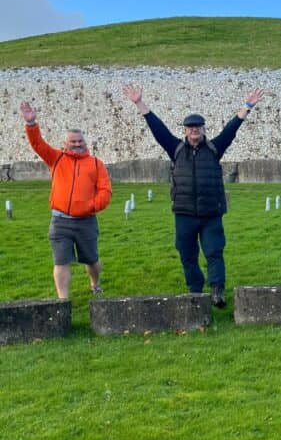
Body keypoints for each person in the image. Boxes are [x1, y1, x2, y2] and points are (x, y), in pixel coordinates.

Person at [123, 83, 264, 307]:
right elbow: (157, 128)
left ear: (204, 129)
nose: (194, 130)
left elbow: (232, 128)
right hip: (184, 213)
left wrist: (247, 106)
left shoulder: (215, 148)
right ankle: (196, 291)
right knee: (187, 254)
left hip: (211, 213)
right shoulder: (175, 149)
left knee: (214, 252)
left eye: (197, 126)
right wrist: (139, 103)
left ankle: (217, 290)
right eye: (190, 127)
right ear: (185, 131)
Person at [20, 102, 112, 298]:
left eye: (80, 141)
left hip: (86, 221)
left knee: (92, 260)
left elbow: (105, 191)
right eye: (73, 142)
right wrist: (31, 124)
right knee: (61, 261)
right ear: (65, 143)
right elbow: (38, 144)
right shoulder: (56, 158)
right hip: (60, 221)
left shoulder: (96, 164)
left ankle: (95, 284)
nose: (77, 144)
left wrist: (91, 206)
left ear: (84, 143)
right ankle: (63, 299)